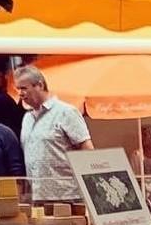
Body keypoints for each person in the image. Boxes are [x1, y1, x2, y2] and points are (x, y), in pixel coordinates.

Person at [14, 64, 93, 205]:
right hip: (37, 197)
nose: (20, 93)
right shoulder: (27, 118)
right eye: (18, 89)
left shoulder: (66, 112)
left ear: (39, 85)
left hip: (67, 197)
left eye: (24, 88)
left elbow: (88, 151)